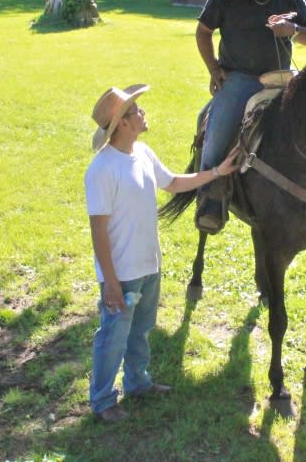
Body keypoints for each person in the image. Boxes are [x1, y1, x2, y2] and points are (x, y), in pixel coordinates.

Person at [85, 84, 239, 423]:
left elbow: (171, 183)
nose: (142, 113)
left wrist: (216, 172)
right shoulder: (102, 170)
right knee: (113, 336)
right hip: (121, 273)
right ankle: (102, 400)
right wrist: (110, 281)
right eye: (136, 110)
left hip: (148, 263)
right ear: (122, 124)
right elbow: (98, 232)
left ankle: (138, 382)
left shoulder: (142, 153)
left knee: (140, 330)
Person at [194, 0, 306, 232]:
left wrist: (294, 31)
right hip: (240, 78)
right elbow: (203, 31)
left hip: (282, 78)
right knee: (215, 135)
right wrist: (214, 68)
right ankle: (211, 199)